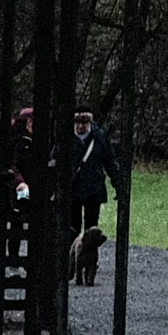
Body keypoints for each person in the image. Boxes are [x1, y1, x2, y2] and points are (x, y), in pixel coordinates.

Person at [63, 107, 120, 286]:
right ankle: (71, 262)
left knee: (91, 227)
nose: (80, 126)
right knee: (72, 226)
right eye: (78, 123)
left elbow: (110, 161)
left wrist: (117, 183)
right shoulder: (65, 137)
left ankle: (90, 261)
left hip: (93, 187)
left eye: (84, 123)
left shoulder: (99, 137)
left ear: (89, 123)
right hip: (72, 188)